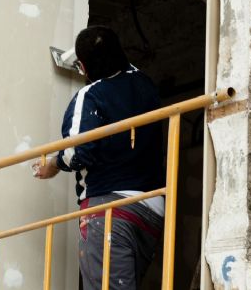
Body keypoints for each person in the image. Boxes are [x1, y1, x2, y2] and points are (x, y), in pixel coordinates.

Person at [33, 26, 164, 290]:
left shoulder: (90, 95)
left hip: (110, 210)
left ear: (82, 66)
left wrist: (53, 165)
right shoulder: (146, 85)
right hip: (153, 211)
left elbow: (77, 153)